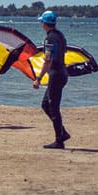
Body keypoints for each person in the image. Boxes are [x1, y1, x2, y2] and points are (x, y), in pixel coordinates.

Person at [32, 10, 70, 149]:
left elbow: (48, 60)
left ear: (44, 23)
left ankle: (59, 140)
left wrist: (38, 78)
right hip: (62, 72)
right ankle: (62, 132)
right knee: (45, 104)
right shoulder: (60, 36)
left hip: (56, 74)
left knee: (53, 107)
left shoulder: (50, 39)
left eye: (41, 21)